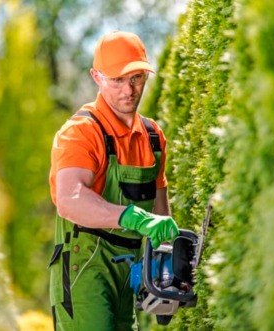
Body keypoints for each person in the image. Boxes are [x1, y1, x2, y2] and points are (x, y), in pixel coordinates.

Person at [48, 31, 179, 331]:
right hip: (86, 270)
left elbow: (160, 212)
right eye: (116, 80)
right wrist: (132, 216)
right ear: (96, 76)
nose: (128, 90)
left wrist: (168, 269)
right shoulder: (80, 132)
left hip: (128, 270)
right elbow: (69, 200)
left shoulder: (153, 137)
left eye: (135, 78)